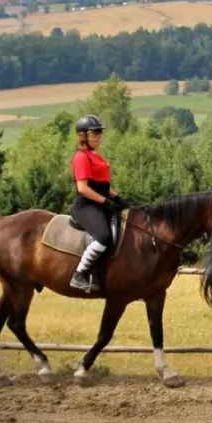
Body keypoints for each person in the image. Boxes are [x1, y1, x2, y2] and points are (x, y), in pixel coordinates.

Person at [69, 114, 126, 292]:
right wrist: (106, 202)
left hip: (101, 202)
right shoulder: (81, 157)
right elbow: (83, 188)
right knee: (104, 236)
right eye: (95, 134)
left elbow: (102, 185)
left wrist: (117, 198)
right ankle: (80, 274)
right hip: (86, 205)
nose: (99, 137)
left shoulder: (96, 156)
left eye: (100, 133)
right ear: (83, 136)